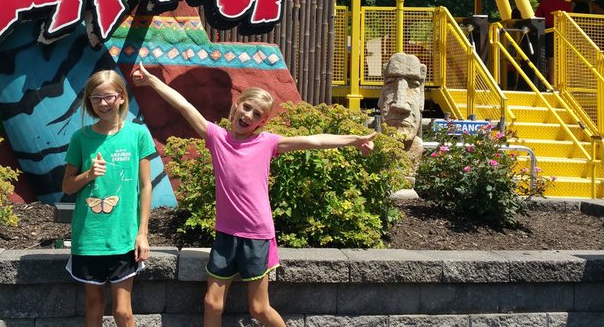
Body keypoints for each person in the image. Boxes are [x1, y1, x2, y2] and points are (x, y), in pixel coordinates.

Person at [130, 62, 374, 327]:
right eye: (247, 107)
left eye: (257, 114)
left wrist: (354, 139)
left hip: (257, 235)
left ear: (262, 122)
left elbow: (313, 141)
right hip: (225, 235)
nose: (249, 115)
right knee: (212, 303)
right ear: (237, 106)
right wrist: (152, 82)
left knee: (259, 308)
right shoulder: (216, 138)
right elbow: (185, 105)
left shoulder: (267, 143)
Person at [62, 70, 154, 327]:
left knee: (123, 312)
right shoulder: (80, 138)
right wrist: (88, 175)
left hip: (123, 239)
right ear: (89, 102)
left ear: (122, 97)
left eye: (109, 97)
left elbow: (145, 187)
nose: (103, 103)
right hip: (89, 238)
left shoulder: (137, 134)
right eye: (96, 98)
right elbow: (68, 186)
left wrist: (142, 234)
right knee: (94, 306)